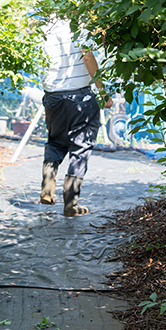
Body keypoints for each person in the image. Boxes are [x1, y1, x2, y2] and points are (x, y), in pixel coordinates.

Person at [39, 16, 113, 216]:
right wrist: (103, 92)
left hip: (52, 97)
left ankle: (47, 188)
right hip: (79, 95)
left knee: (55, 142)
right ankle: (70, 204)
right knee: (81, 147)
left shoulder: (45, 27)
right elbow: (87, 56)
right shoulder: (78, 26)